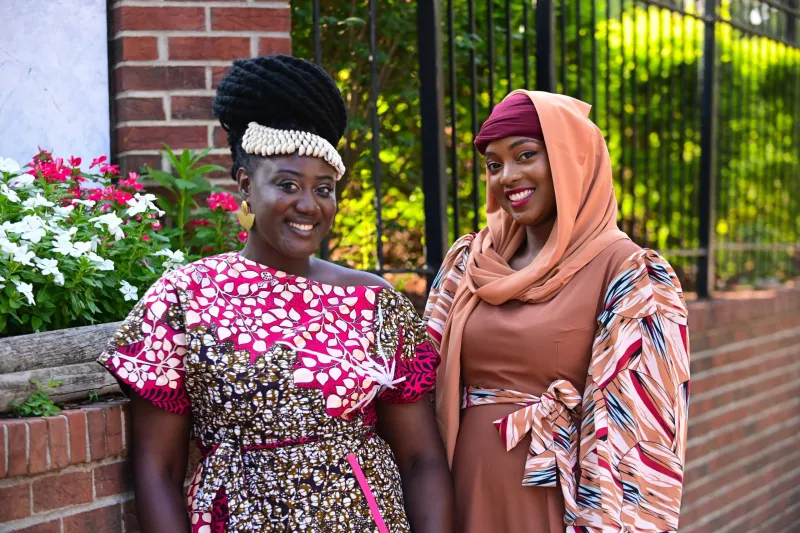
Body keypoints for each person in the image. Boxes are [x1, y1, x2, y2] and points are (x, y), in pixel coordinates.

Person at [98, 55, 453, 533]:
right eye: (287, 184)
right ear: (245, 184)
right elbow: (157, 472)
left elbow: (421, 460)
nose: (308, 205)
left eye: (323, 188)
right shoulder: (185, 298)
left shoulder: (373, 301)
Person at [424, 90, 690, 533]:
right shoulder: (470, 262)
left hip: (556, 500)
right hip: (460, 489)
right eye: (494, 164)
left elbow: (643, 433)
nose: (508, 176)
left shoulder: (628, 274)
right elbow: (420, 377)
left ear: (575, 160)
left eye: (525, 155)